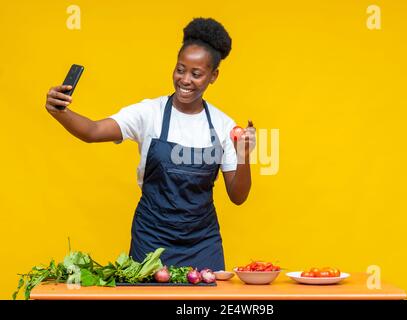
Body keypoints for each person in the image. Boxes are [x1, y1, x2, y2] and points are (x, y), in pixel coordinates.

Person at [45, 17, 255, 271]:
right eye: (180, 69)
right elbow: (92, 131)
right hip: (151, 241)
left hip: (203, 245)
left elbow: (238, 196)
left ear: (213, 76)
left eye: (196, 74)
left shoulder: (223, 125)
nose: (185, 80)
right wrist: (60, 112)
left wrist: (244, 156)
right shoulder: (149, 113)